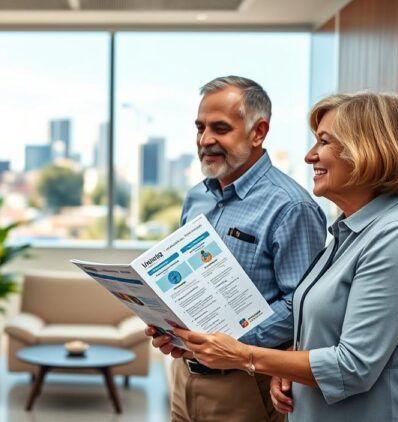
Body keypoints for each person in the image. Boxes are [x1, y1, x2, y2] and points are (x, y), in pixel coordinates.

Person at [166, 92, 398, 421]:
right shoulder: (350, 232)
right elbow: (324, 331)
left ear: (368, 149)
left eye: (323, 142)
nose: (310, 156)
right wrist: (287, 363)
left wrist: (246, 355)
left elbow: (353, 366)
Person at [146, 76, 327, 422]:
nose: (205, 140)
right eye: (200, 128)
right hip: (184, 377)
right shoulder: (196, 197)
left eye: (220, 128)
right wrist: (169, 327)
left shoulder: (291, 207)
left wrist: (229, 342)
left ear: (258, 132)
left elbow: (302, 305)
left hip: (246, 385)